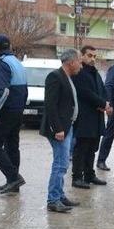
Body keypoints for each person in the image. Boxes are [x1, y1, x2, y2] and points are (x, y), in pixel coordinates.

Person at [40, 49, 82, 213]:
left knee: (63, 163)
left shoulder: (68, 77)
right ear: (71, 62)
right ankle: (53, 200)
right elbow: (50, 105)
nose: (80, 65)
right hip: (59, 130)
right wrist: (57, 128)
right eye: (79, 61)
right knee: (60, 164)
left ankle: (60, 195)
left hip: (68, 127)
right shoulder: (55, 77)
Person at [0, 34, 28, 195]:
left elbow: (2, 91)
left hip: (5, 111)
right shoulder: (17, 62)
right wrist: (20, 110)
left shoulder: (2, 64)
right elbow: (25, 90)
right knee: (12, 146)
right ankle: (13, 183)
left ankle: (13, 177)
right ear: (9, 46)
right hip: (17, 111)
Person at [71, 45, 111, 189]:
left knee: (92, 147)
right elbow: (85, 93)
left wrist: (106, 103)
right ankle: (77, 177)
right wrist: (102, 103)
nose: (92, 58)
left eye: (94, 56)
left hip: (97, 116)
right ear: (81, 56)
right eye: (89, 55)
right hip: (84, 116)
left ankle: (89, 174)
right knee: (82, 148)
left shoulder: (95, 72)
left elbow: (102, 90)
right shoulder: (79, 73)